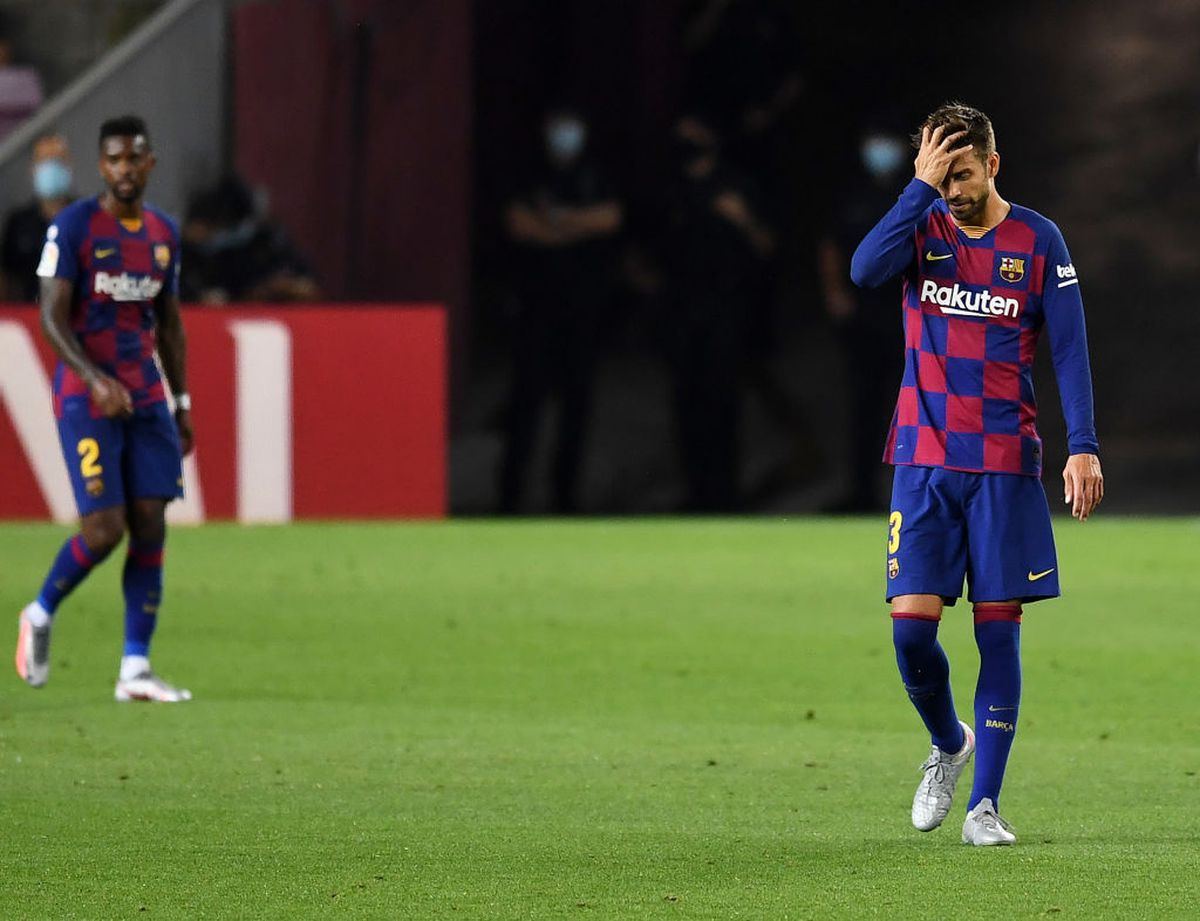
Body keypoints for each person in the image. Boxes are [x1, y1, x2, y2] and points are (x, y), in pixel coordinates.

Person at [850, 102, 1104, 845]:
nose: (953, 190)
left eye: (962, 174)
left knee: (999, 634)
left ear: (993, 164)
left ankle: (983, 806)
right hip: (924, 461)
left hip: (1002, 466)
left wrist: (1083, 445)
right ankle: (949, 742)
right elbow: (864, 271)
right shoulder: (920, 226)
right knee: (909, 633)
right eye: (941, 175)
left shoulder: (1038, 240)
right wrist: (917, 190)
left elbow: (1069, 349)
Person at [15, 115, 193, 702]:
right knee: (104, 529)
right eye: (114, 159)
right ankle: (40, 612)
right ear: (101, 166)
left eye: (134, 158)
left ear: (149, 164)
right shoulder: (73, 227)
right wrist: (94, 381)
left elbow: (170, 325)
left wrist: (182, 402)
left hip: (145, 394)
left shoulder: (164, 234)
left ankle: (134, 669)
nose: (124, 169)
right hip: (85, 396)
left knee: (151, 520)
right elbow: (50, 316)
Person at [497, 107, 623, 514]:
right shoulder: (529, 173)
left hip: (582, 310)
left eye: (571, 128)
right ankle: (509, 499)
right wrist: (577, 226)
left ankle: (565, 499)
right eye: (558, 128)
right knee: (525, 405)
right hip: (534, 309)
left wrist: (556, 225)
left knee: (576, 407)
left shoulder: (595, 174)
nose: (565, 136)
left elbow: (610, 219)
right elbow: (518, 224)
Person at [817, 122, 908, 511]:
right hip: (864, 316)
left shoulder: (916, 193)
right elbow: (831, 245)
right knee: (864, 406)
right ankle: (862, 493)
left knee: (917, 408)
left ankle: (919, 495)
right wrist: (835, 294)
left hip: (907, 316)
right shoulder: (851, 195)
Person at [1, 133, 74, 301]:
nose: (51, 168)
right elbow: (6, 278)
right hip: (26, 312)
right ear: (33, 168)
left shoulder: (85, 217)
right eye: (44, 161)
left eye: (57, 160)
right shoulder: (17, 222)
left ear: (69, 166)